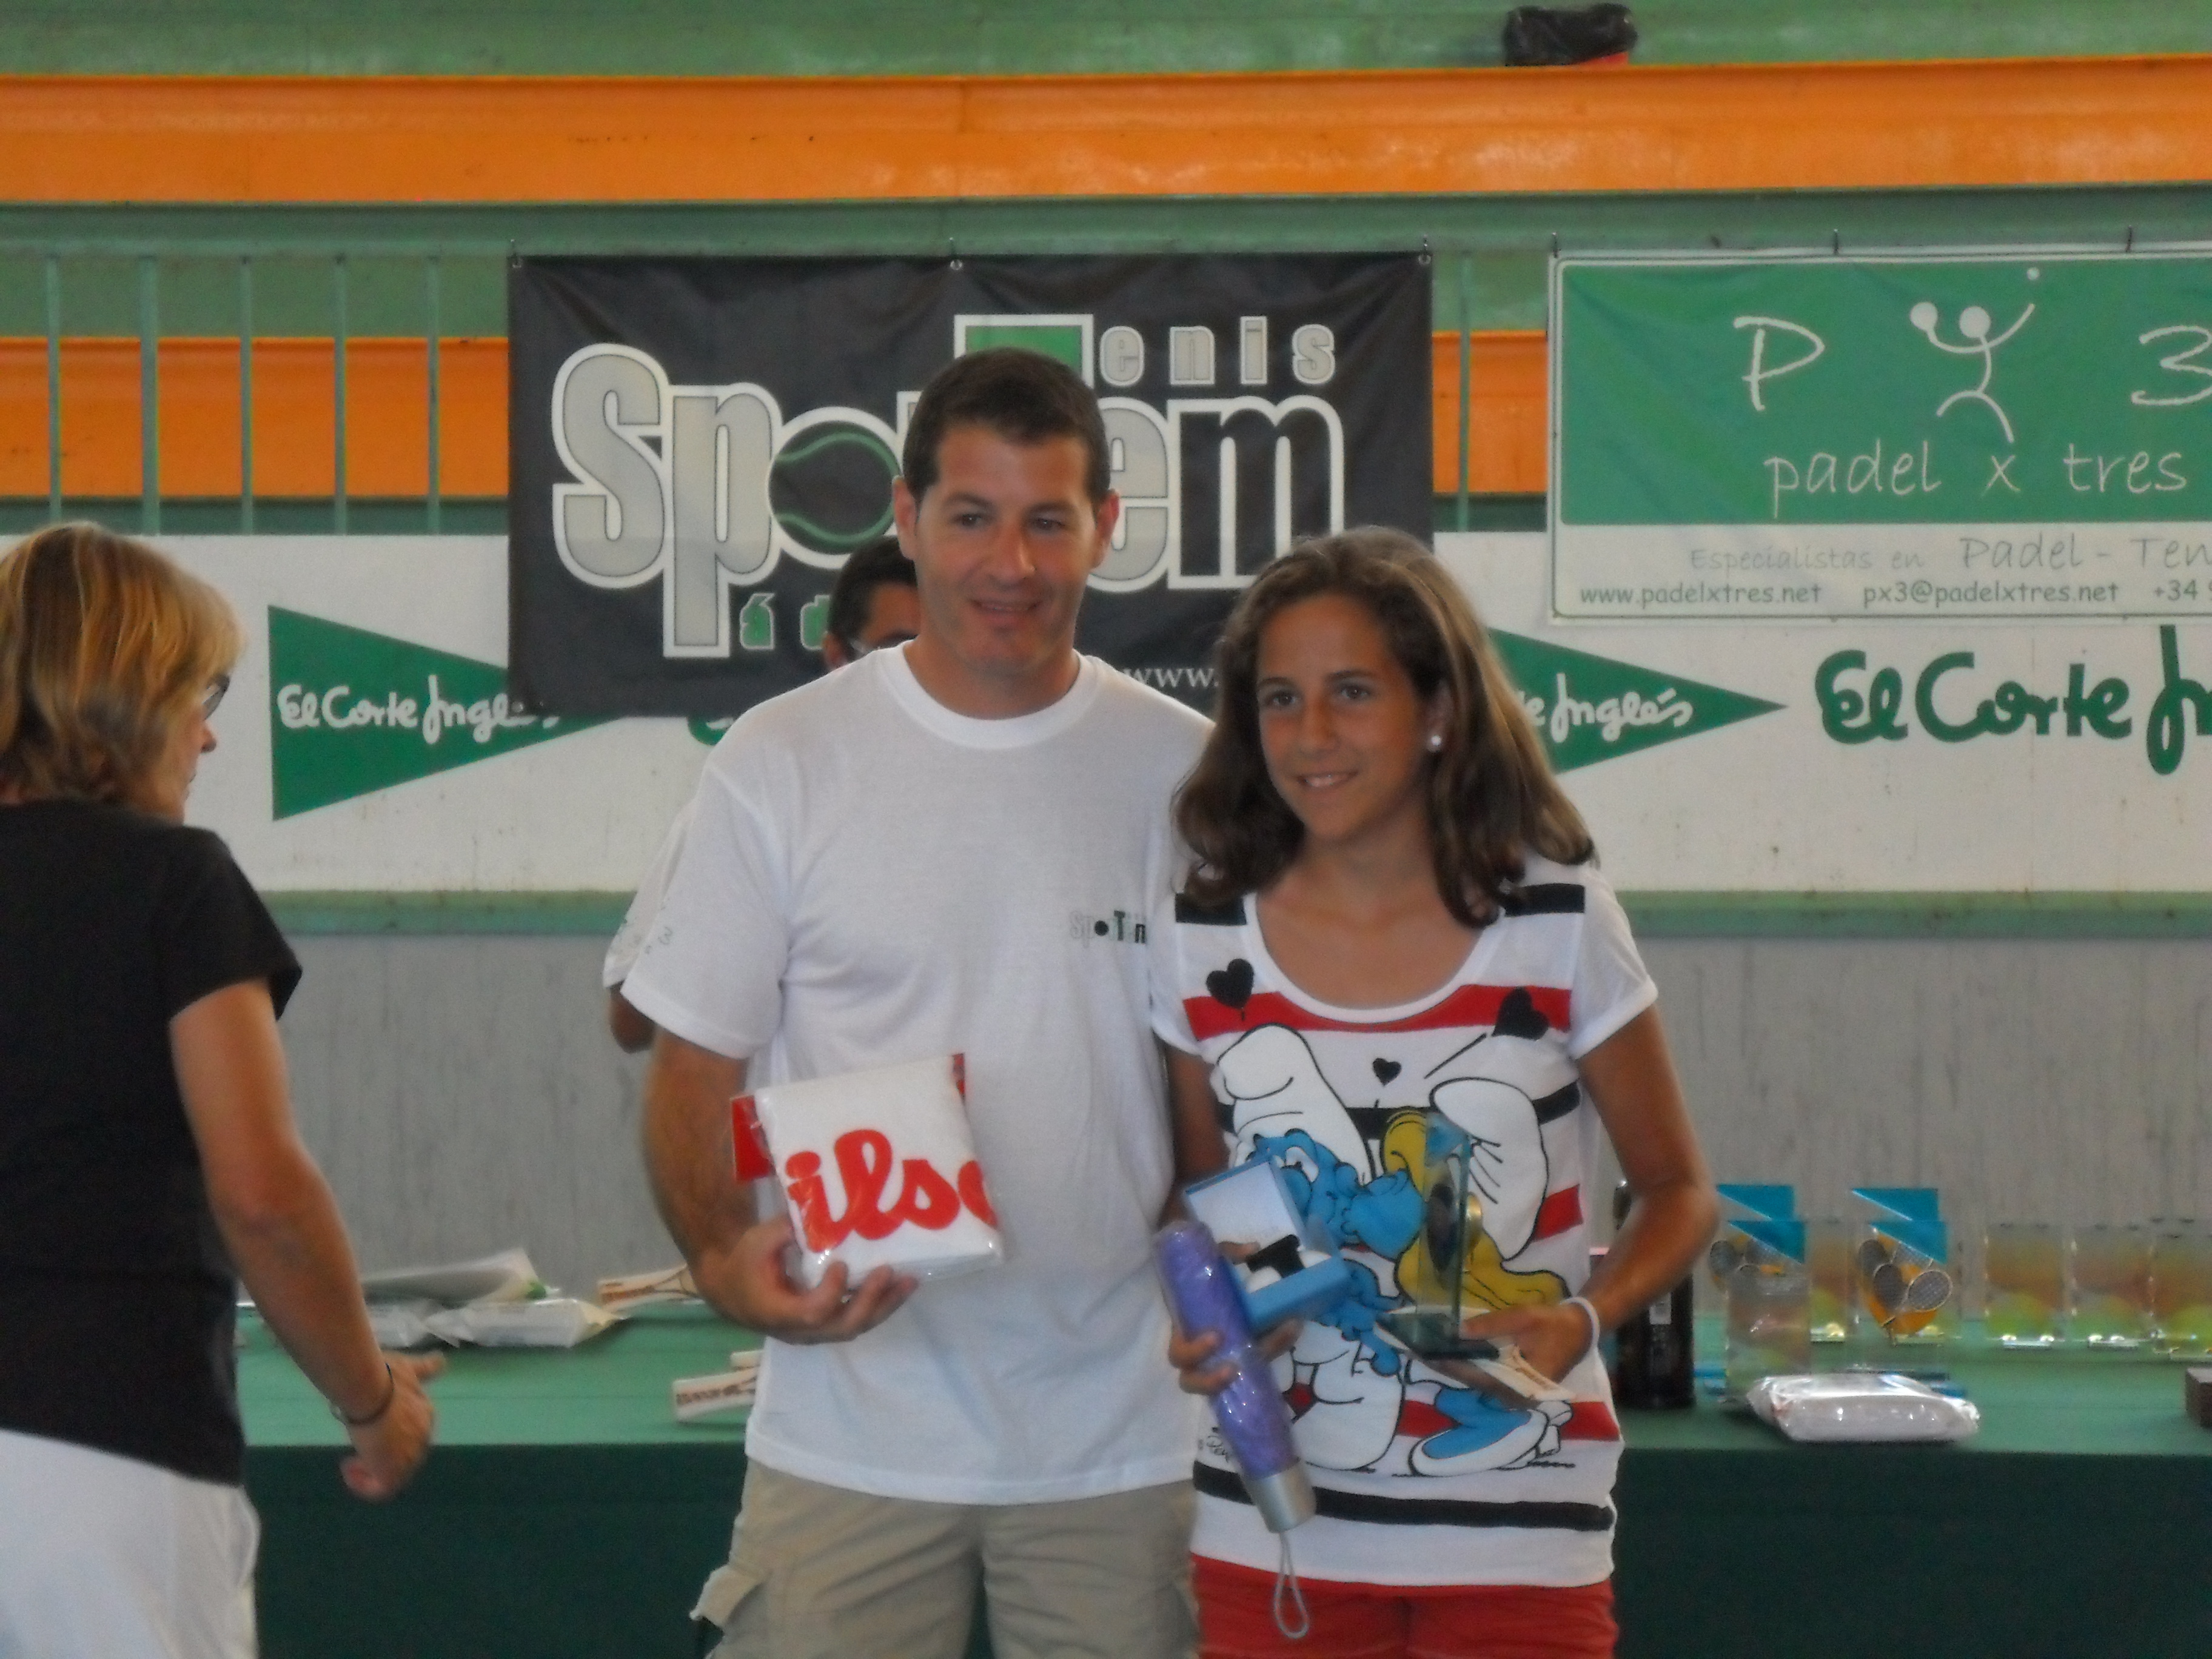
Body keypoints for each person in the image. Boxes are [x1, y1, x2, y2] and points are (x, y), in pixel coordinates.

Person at [623, 347, 1215, 1659]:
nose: (1009, 563)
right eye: (971, 517)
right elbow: (690, 1064)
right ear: (905, 517)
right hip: (849, 1431)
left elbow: (1213, 1094)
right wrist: (721, 1258)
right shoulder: (781, 762)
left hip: (1116, 1443)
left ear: (1106, 527)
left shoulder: (1186, 776)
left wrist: (1220, 1266)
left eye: (1047, 521)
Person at [1150, 529, 1717, 1659]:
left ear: (1439, 710)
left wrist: (1580, 1318)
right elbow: (1197, 1202)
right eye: (1279, 699)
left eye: (1352, 692)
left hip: (1521, 1531)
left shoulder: (1556, 917)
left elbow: (1680, 1194)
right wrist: (1209, 1318)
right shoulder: (1201, 931)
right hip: (1274, 1532)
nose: (1311, 734)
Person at [0, 523, 440, 1659]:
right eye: (196, 697)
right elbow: (262, 1194)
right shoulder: (170, 880)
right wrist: (372, 1402)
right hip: (97, 1452)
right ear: (124, 699)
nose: (204, 735)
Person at [604, 535, 922, 1051]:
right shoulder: (757, 803)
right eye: (897, 655)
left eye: (945, 655)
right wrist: (727, 954)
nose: (922, 679)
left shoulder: (1007, 807)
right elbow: (630, 1025)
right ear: (837, 656)